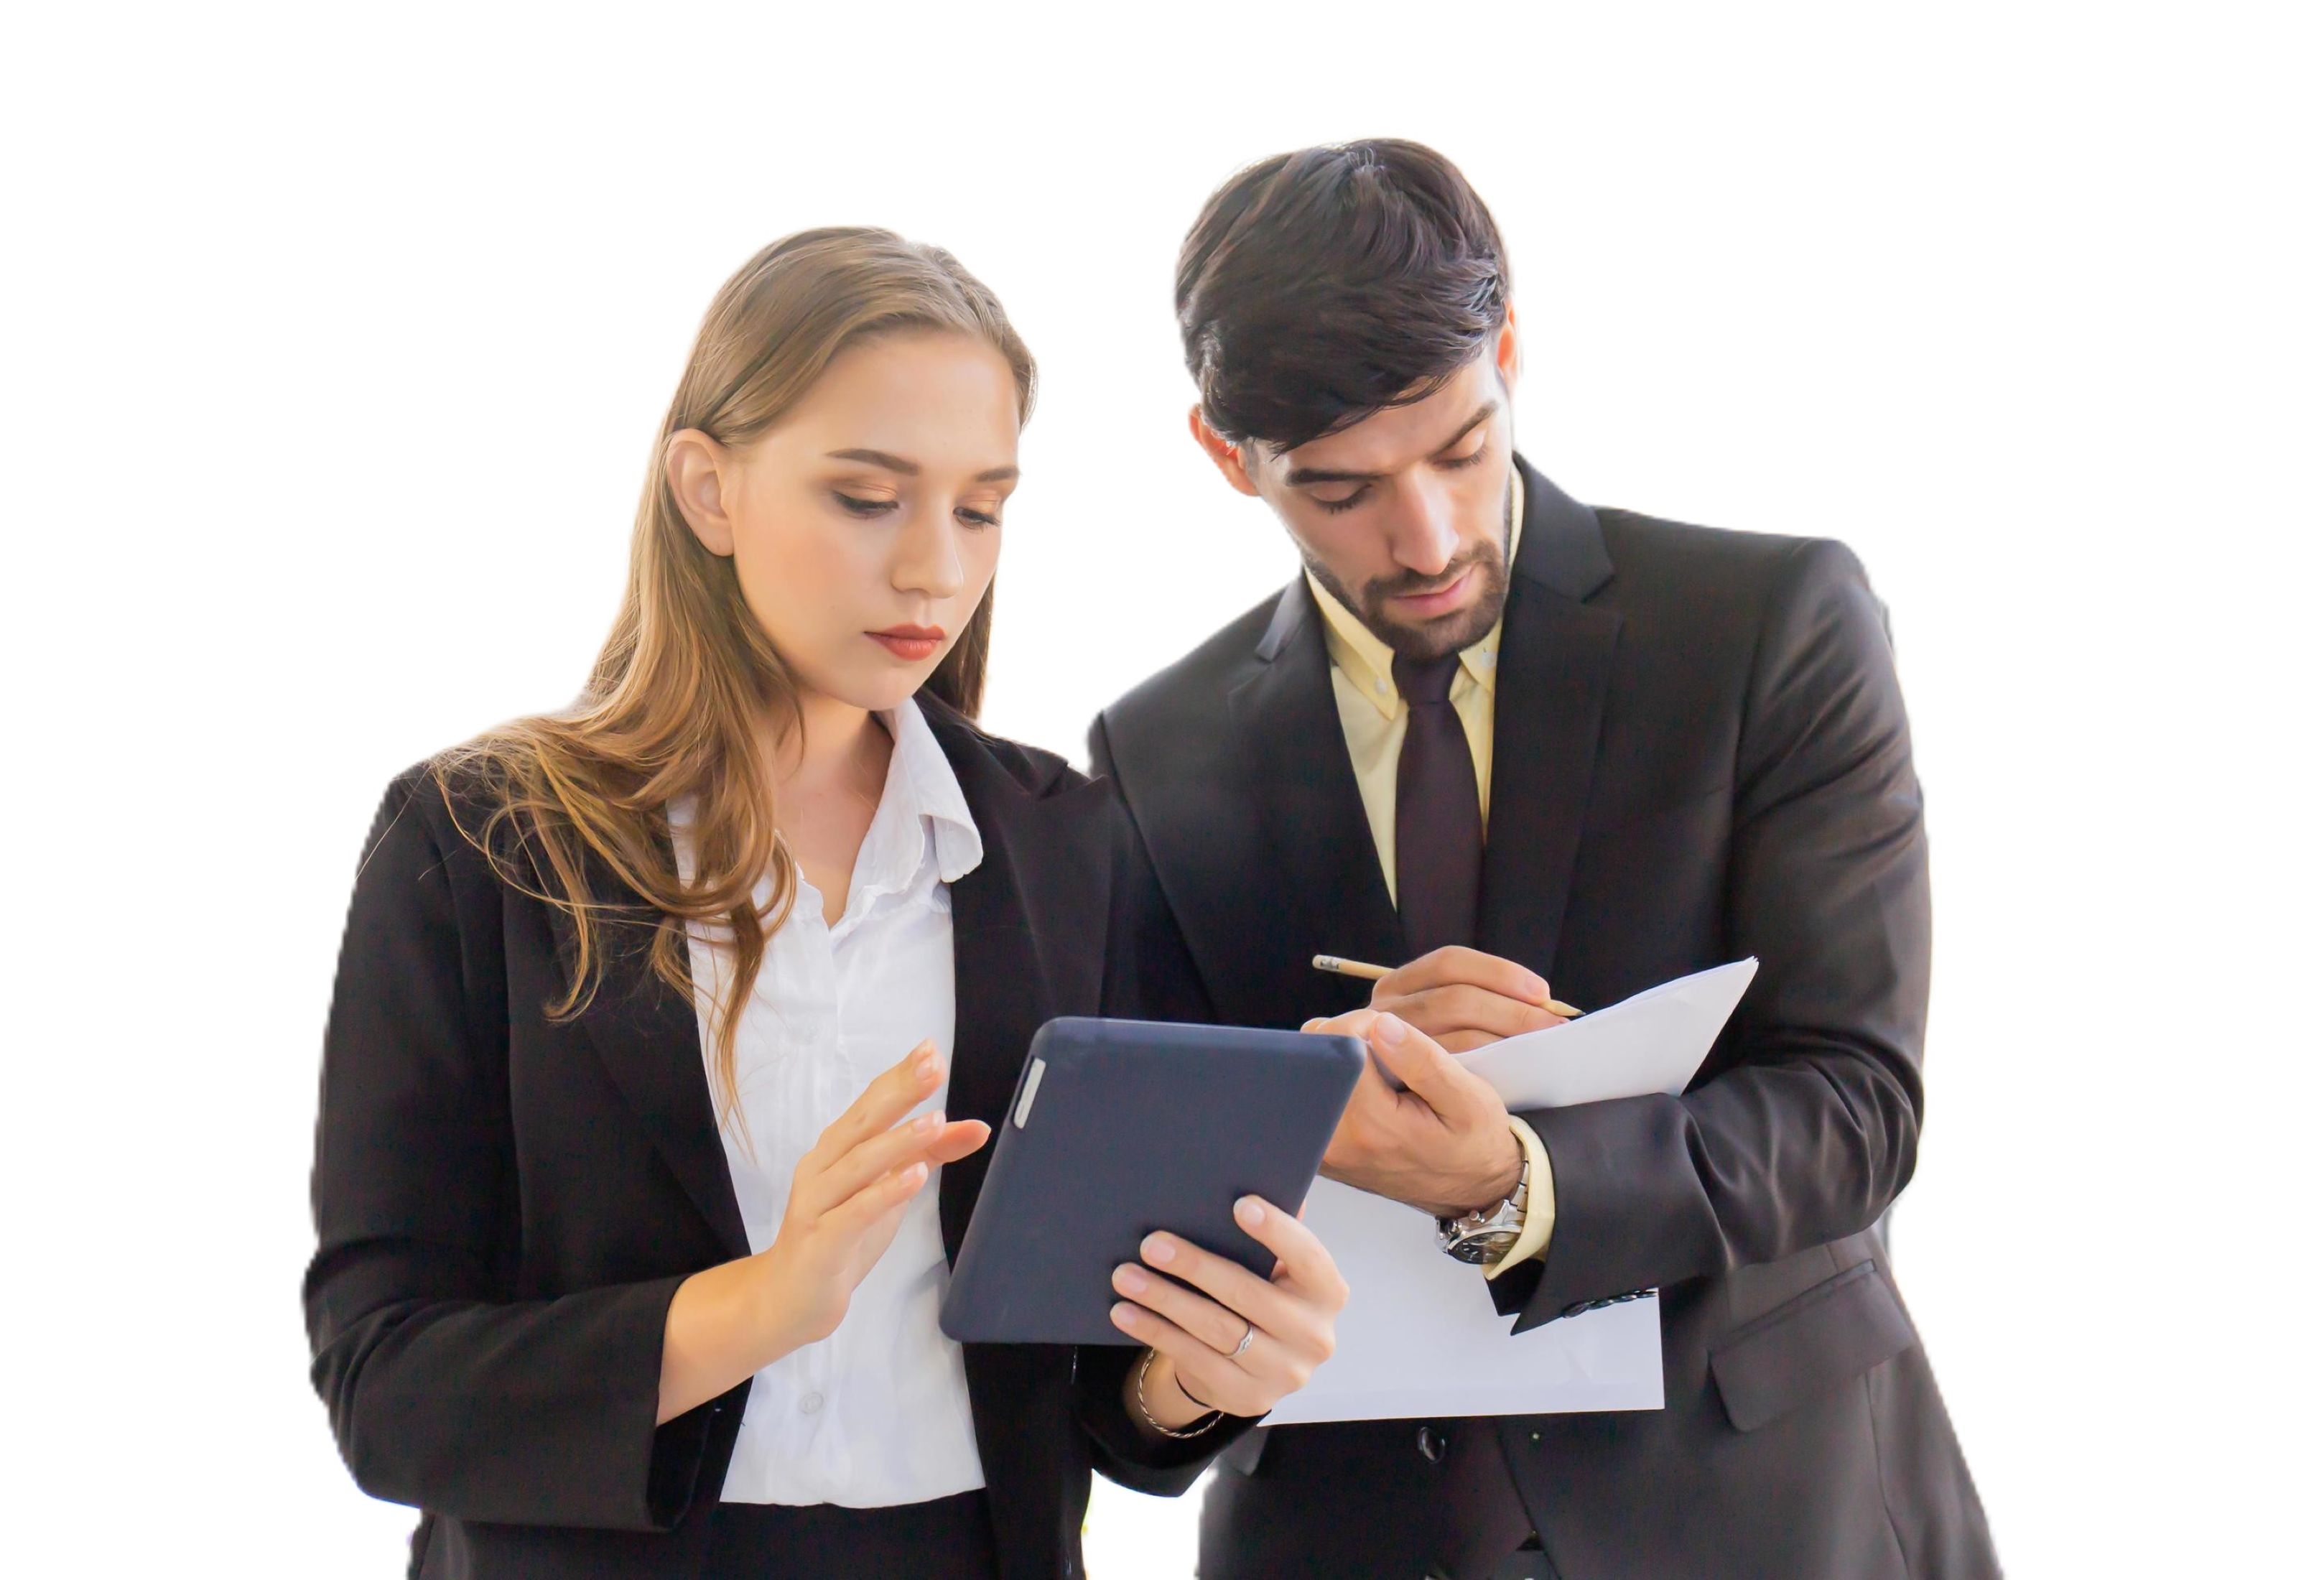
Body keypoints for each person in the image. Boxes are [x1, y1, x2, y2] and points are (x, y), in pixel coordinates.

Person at [305, 228, 1346, 1580]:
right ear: (708, 489)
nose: (936, 570)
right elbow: (385, 1391)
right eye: (868, 497)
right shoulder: (479, 844)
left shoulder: (1064, 841)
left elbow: (1091, 1390)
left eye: (980, 508)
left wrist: (1207, 1372)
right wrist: (761, 1305)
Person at [1091, 141, 1999, 1578]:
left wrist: (1518, 1174)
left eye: (1462, 445)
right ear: (1223, 454)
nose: (1430, 535)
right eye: (1342, 491)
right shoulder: (1151, 747)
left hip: (1765, 1516)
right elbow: (1132, 1297)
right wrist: (1188, 1348)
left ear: (1508, 353)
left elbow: (1861, 1105)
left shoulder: (1770, 627)